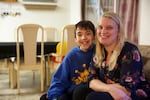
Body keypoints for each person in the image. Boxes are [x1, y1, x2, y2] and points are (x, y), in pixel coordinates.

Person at [73, 12, 150, 100]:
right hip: (111, 91)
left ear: (118, 31)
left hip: (130, 96)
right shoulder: (99, 50)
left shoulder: (130, 51)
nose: (103, 31)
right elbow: (91, 80)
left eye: (109, 28)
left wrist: (102, 86)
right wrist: (110, 88)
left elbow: (127, 89)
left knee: (94, 97)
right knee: (79, 92)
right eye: (100, 27)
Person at [40, 20, 96, 100]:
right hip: (71, 91)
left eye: (88, 34)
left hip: (87, 91)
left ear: (94, 36)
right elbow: (60, 78)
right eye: (79, 35)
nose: (84, 38)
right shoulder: (71, 55)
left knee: (80, 92)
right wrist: (53, 95)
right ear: (75, 39)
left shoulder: (98, 52)